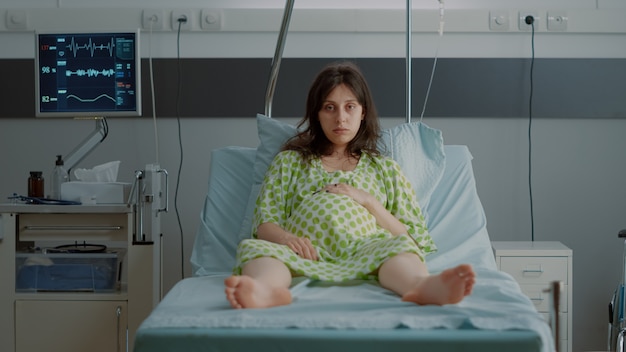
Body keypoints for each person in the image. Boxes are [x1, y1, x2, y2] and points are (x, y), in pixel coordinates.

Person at [225, 61, 475, 309]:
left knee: (401, 250)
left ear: (363, 112)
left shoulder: (385, 169)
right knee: (256, 250)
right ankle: (266, 291)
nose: (340, 118)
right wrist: (288, 239)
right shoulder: (289, 162)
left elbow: (410, 236)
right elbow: (264, 224)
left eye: (350, 107)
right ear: (317, 114)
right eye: (329, 108)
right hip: (302, 251)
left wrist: (368, 201)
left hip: (367, 249)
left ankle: (422, 286)